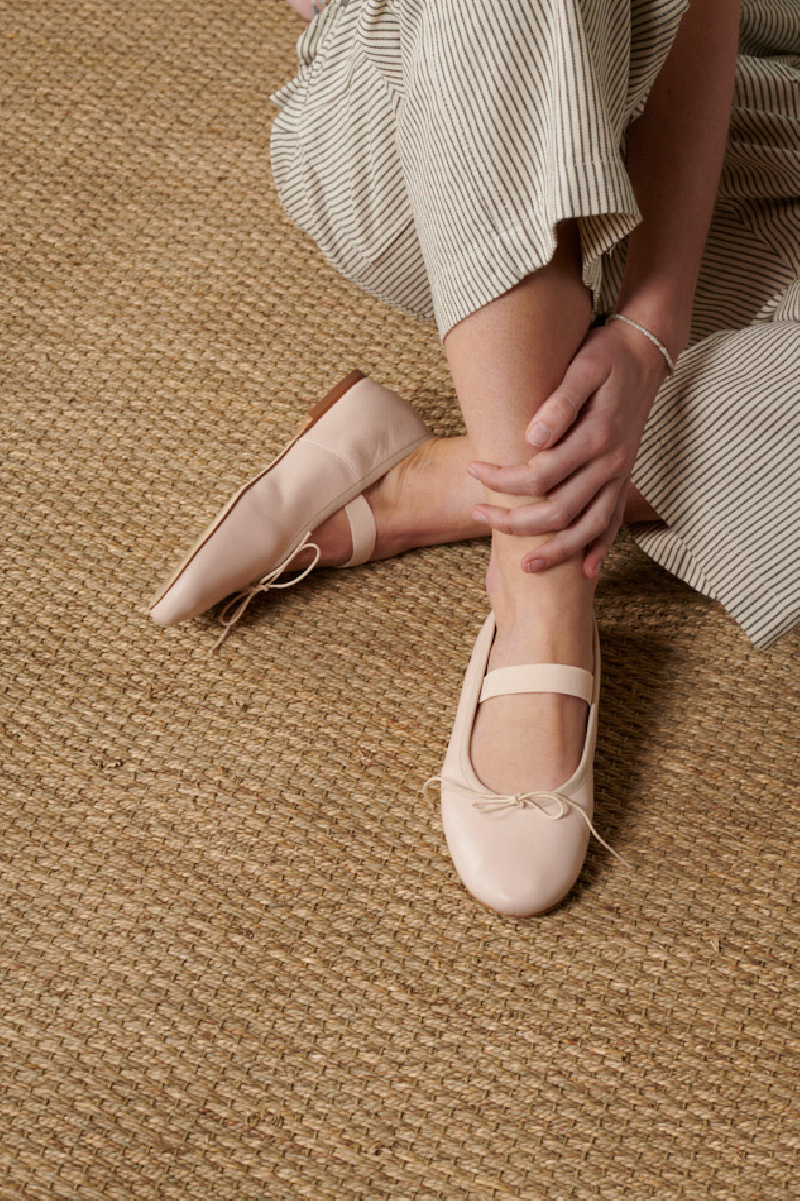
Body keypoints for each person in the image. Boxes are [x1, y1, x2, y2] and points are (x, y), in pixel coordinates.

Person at [149, 0, 799, 916]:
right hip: (460, 96)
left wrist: (654, 324)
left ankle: (430, 483)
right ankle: (540, 587)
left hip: (751, 118)